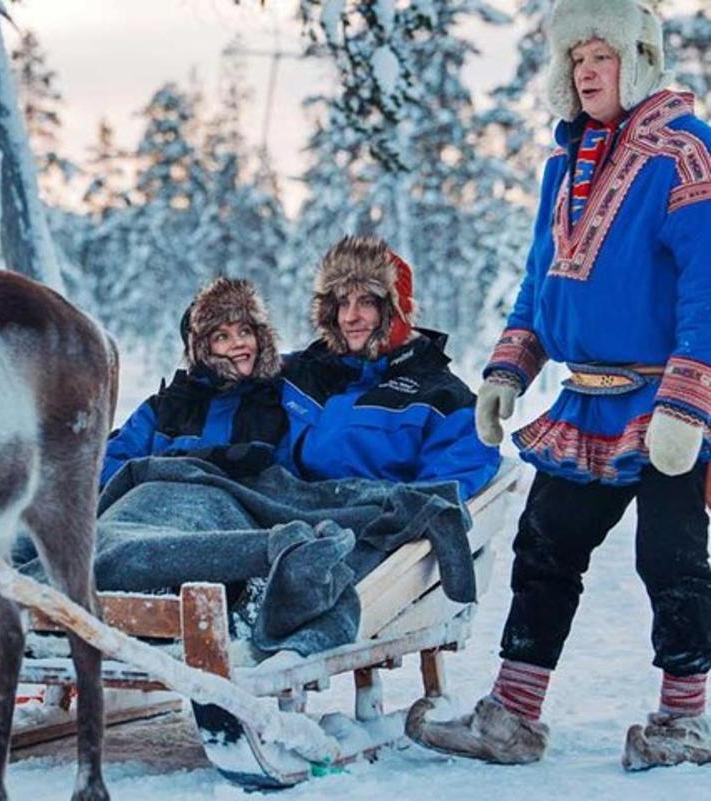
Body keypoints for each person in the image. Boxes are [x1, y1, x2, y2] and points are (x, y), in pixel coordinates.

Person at [406, 0, 711, 771]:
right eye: (575, 60)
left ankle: (685, 721)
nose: (586, 72)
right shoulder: (565, 163)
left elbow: (708, 287)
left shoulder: (687, 154)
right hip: (587, 399)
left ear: (640, 60)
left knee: (670, 559)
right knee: (545, 546)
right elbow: (542, 280)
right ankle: (511, 715)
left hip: (670, 400)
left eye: (601, 57)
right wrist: (509, 367)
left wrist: (687, 404)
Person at [281, 235, 500, 501]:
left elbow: (434, 499)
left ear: (396, 310)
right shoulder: (297, 373)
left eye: (367, 302)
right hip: (273, 519)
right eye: (342, 303)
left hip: (366, 532)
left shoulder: (443, 401)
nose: (350, 317)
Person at [99, 276, 293, 490]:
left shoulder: (280, 402)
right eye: (222, 337)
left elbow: (296, 481)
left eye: (245, 331)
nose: (238, 343)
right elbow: (103, 469)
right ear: (202, 349)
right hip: (155, 515)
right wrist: (172, 468)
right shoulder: (164, 409)